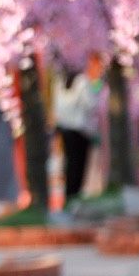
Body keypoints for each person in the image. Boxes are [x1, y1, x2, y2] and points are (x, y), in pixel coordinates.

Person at [53, 56, 104, 206]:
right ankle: (74, 196)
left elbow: (57, 107)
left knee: (70, 162)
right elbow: (91, 104)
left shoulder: (60, 83)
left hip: (65, 128)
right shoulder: (83, 81)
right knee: (79, 164)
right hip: (80, 130)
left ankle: (69, 194)